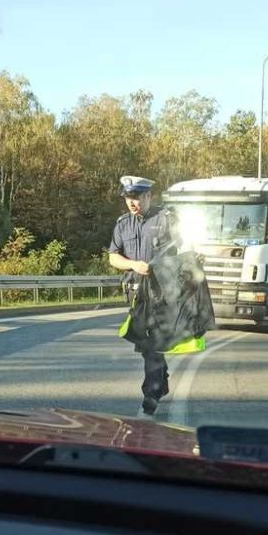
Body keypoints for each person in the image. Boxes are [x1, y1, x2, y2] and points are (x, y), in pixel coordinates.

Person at [108, 175, 172, 416]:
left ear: (148, 196)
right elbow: (113, 257)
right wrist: (134, 265)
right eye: (128, 198)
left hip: (161, 293)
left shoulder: (165, 220)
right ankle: (161, 383)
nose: (132, 203)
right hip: (136, 293)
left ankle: (150, 400)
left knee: (152, 345)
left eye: (136, 197)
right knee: (146, 346)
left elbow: (185, 248)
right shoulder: (122, 224)